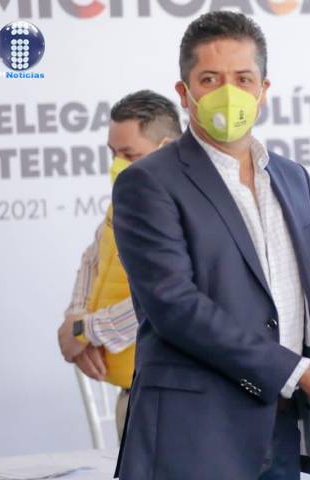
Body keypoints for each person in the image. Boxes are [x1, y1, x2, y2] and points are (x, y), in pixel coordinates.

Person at [111, 11, 310, 480]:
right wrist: (298, 371)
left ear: (263, 90)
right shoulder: (147, 182)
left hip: (282, 427)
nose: (229, 92)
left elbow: (304, 288)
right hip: (195, 438)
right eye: (210, 79)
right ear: (184, 92)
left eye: (243, 78)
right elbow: (176, 308)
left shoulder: (291, 177)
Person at [58, 90, 182, 439]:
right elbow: (92, 260)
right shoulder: (125, 202)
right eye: (113, 153)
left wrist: (84, 332)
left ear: (167, 149)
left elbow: (163, 300)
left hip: (174, 398)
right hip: (131, 395)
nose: (117, 164)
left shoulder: (186, 210)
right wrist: (76, 318)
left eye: (129, 155)